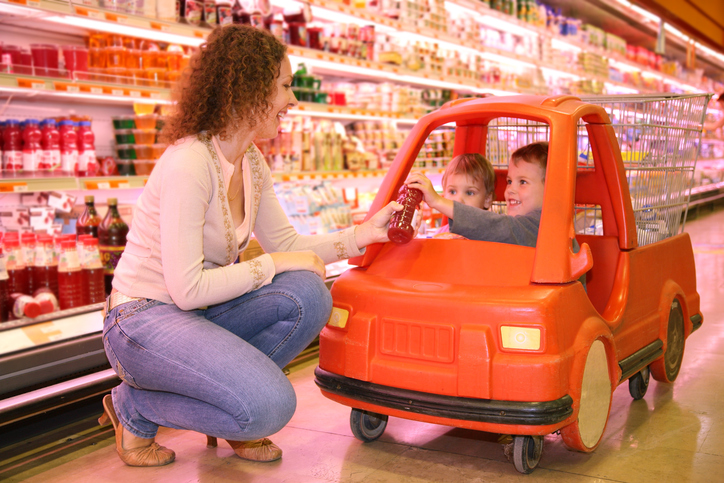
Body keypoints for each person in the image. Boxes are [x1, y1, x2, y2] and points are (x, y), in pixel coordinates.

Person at [99, 25, 402, 468]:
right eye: (284, 86)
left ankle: (231, 407)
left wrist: (361, 236)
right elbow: (187, 290)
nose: (292, 100)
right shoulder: (190, 162)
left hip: (194, 317)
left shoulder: (250, 161)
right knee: (270, 408)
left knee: (308, 293)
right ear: (249, 89)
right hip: (141, 321)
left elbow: (288, 244)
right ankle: (136, 408)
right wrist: (276, 263)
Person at [408, 142, 547, 246]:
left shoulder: (544, 227)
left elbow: (504, 229)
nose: (510, 189)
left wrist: (438, 201)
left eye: (522, 182)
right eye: (509, 181)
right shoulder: (445, 233)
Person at [430, 152, 495, 235]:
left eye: (469, 193)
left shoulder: (489, 236)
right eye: (452, 192)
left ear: (487, 199)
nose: (458, 200)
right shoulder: (440, 236)